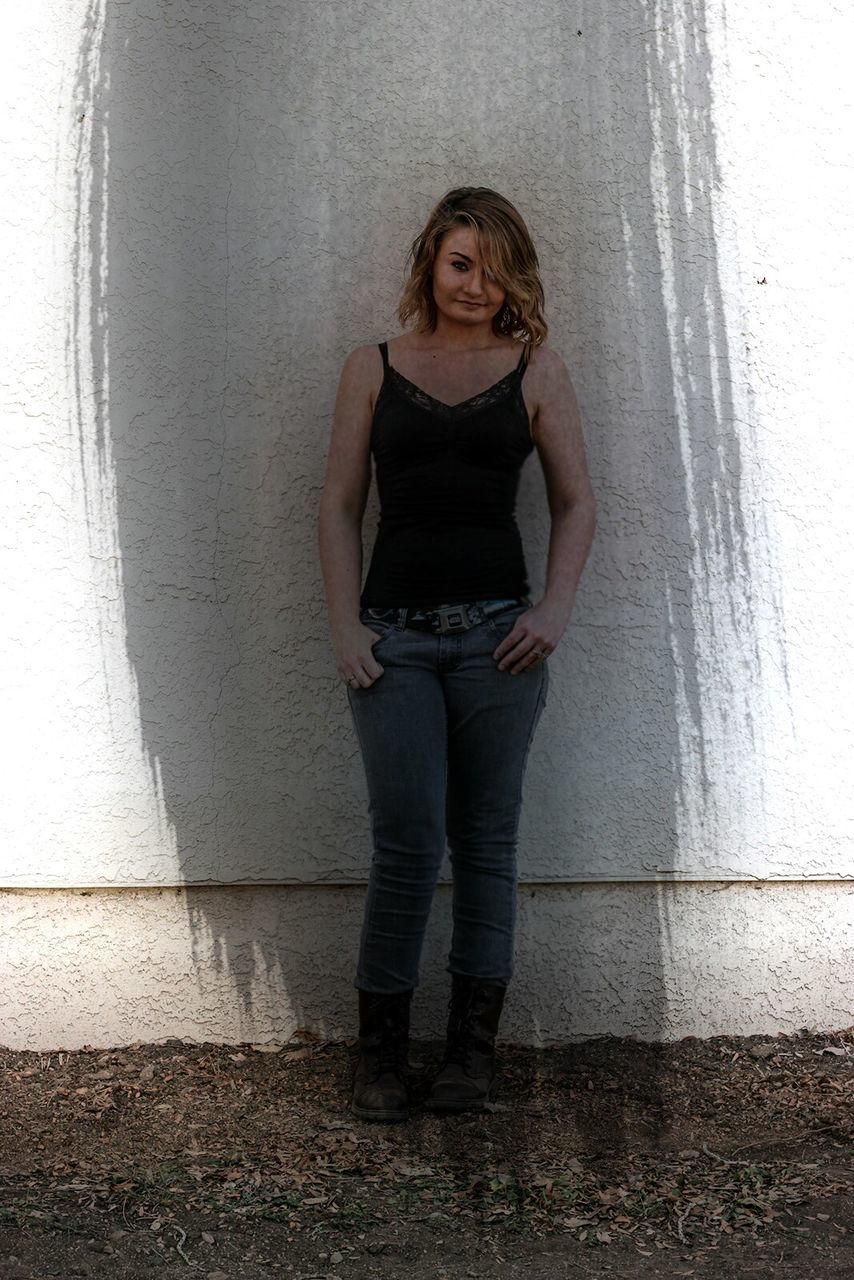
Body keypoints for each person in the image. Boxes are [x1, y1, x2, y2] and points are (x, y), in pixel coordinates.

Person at [318, 186, 596, 1122]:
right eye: (460, 263)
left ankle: (471, 1058)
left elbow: (576, 503)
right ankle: (381, 1060)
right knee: (405, 845)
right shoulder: (374, 366)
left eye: (493, 267)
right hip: (393, 641)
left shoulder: (535, 371)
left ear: (515, 274)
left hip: (497, 643)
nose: (476, 284)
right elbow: (338, 504)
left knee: (485, 843)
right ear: (431, 266)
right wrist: (345, 625)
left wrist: (553, 610)